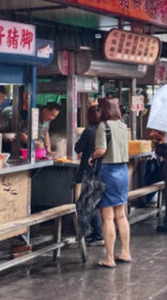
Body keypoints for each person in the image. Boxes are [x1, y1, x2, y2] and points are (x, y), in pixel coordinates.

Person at [89, 97, 131, 268]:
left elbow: (101, 150)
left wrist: (92, 157)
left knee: (107, 217)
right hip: (123, 172)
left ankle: (109, 258)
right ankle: (126, 252)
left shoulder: (103, 126)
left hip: (108, 172)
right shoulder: (122, 125)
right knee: (121, 214)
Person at [74, 105, 103, 245]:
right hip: (101, 170)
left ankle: (97, 234)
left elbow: (78, 148)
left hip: (89, 170)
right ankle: (95, 232)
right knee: (93, 202)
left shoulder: (89, 131)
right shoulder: (104, 130)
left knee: (88, 203)